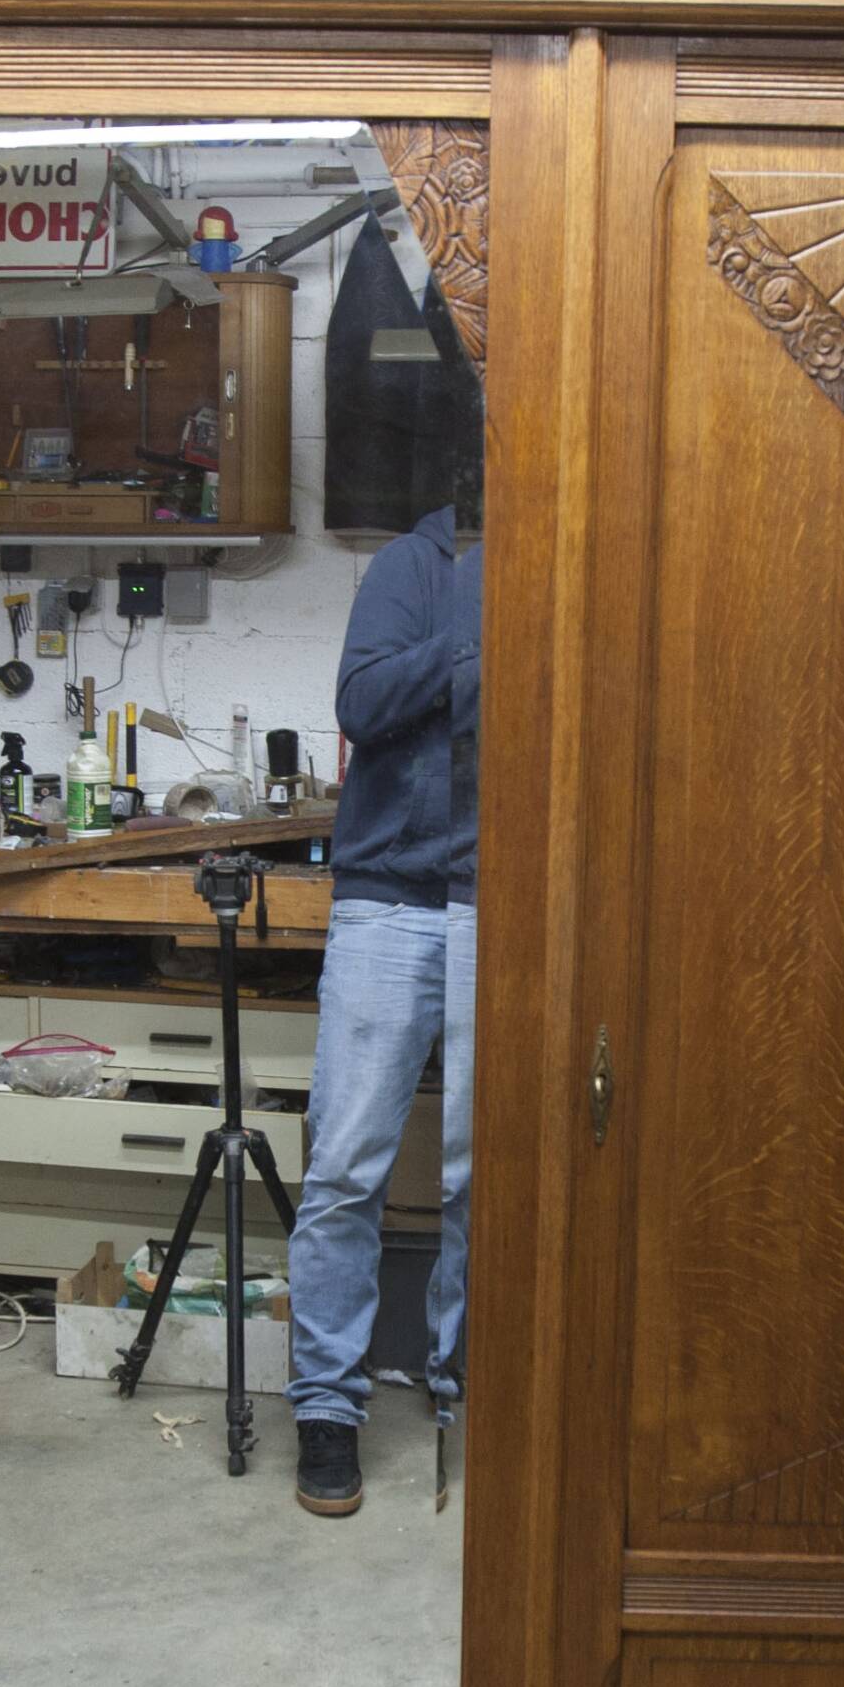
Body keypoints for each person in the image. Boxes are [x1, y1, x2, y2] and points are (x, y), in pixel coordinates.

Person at [285, 492, 478, 1517]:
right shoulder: (415, 563)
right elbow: (361, 704)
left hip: (508, 906)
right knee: (346, 1170)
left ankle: (460, 1387)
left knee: (481, 1180)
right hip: (391, 904)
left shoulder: (567, 564)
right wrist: (479, 644)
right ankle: (327, 1404)